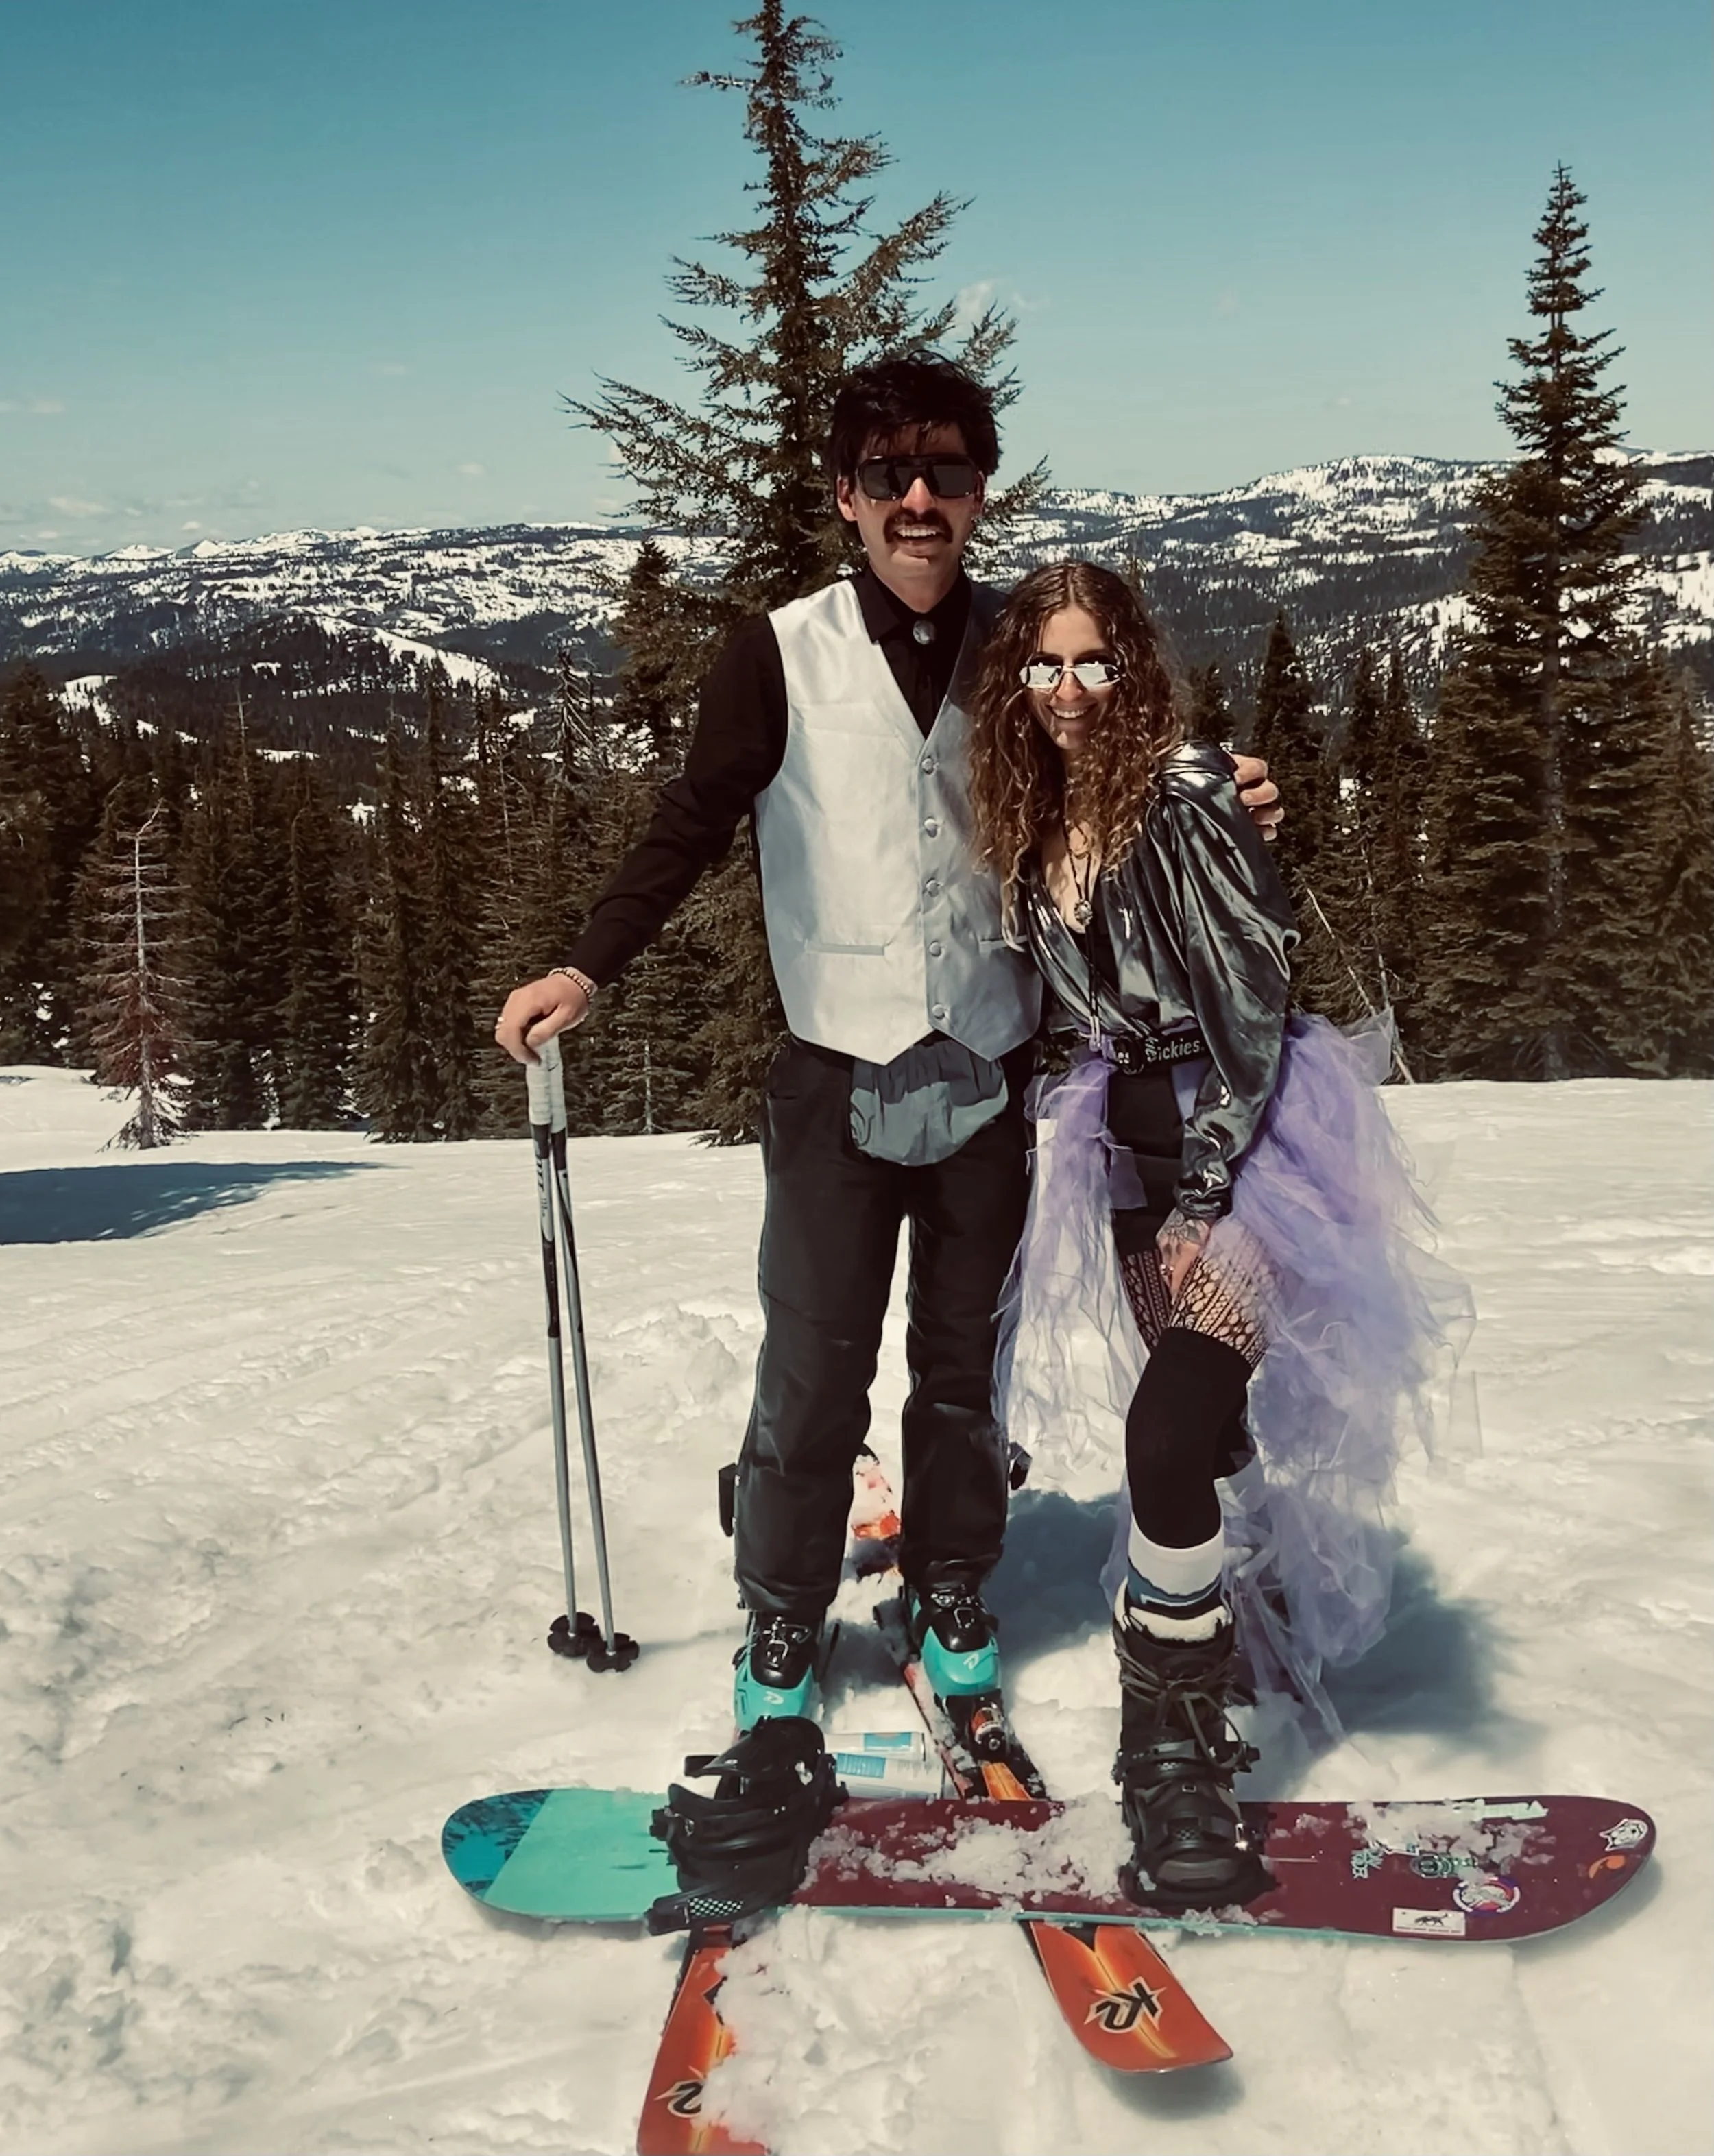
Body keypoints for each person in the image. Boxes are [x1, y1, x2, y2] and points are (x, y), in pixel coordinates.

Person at [494, 355, 1281, 1739]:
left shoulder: (1018, 651)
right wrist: (584, 961)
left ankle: (950, 1582)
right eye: (884, 476)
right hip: (831, 1079)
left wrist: (1234, 797)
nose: (917, 501)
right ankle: (785, 1608)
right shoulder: (777, 651)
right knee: (812, 1360)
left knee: (960, 1364)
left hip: (986, 1078)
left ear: (980, 491)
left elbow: (1123, 767)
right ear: (843, 496)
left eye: (947, 475)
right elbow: (691, 818)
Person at [965, 559, 1464, 1908]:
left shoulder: (1184, 796)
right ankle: (1211, 1608)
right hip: (1122, 1142)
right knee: (1206, 1425)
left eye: (1092, 662)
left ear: (1132, 667)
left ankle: (1167, 1747)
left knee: (1166, 1431)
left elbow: (1250, 1010)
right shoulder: (1034, 815)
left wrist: (1198, 1199)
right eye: (1043, 666)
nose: (1068, 692)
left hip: (1240, 1138)